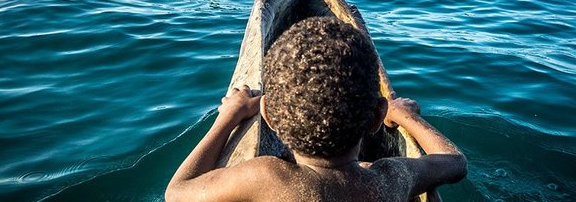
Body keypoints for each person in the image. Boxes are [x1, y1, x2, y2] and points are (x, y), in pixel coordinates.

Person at [166, 17, 467, 202]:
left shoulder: (265, 178)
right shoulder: (391, 179)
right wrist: (405, 116)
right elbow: (455, 163)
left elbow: (177, 193)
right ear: (376, 117)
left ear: (268, 116)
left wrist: (229, 116)